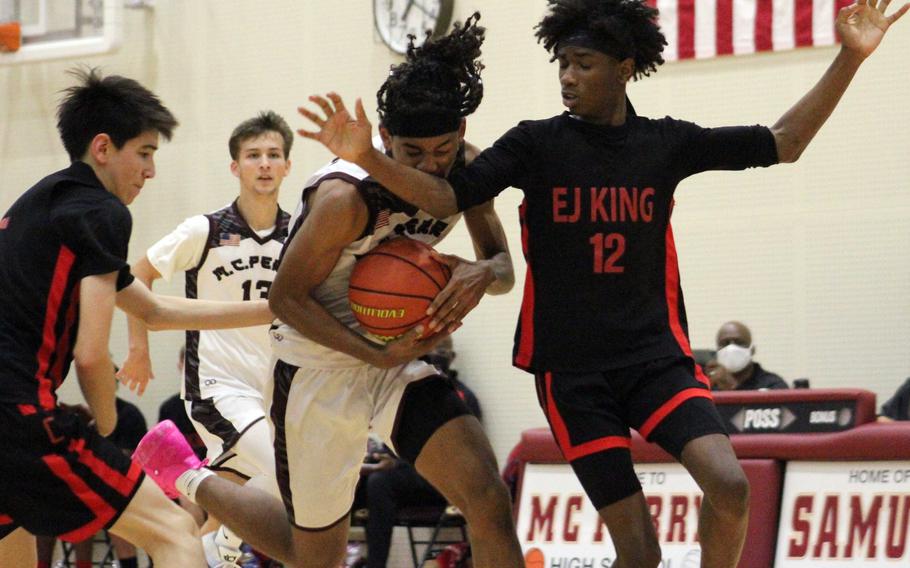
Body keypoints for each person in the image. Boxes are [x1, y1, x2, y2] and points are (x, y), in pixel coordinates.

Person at [294, 1, 908, 566]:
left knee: (730, 484)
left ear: (624, 67)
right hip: (573, 374)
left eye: (583, 64)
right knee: (640, 554)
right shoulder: (534, 144)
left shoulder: (664, 143)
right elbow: (450, 193)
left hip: (655, 359)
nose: (567, 76)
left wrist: (850, 56)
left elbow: (785, 143)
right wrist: (371, 160)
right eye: (562, 63)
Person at [133, 15, 524, 568]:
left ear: (461, 132)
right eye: (414, 154)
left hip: (397, 361)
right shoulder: (346, 197)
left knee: (489, 501)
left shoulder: (469, 166)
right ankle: (190, 475)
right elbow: (286, 301)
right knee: (313, 557)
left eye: (444, 149)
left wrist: (483, 273)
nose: (433, 166)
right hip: (316, 364)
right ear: (384, 139)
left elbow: (504, 267)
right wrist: (373, 351)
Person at [0, 68, 273, 568]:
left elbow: (152, 308)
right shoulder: (103, 212)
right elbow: (90, 354)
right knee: (175, 532)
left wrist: (273, 309)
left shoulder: (44, 203)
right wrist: (106, 428)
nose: (150, 172)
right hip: (19, 417)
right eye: (145, 153)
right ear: (103, 148)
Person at [121, 111, 293, 567]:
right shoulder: (207, 230)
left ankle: (215, 550)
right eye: (252, 155)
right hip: (218, 388)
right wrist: (139, 349)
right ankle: (221, 538)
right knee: (288, 473)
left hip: (275, 391)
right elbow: (139, 273)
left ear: (287, 166)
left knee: (241, 495)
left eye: (273, 155)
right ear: (235, 167)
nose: (263, 164)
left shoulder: (299, 234)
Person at [359, 337, 481, 568]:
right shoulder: (406, 392)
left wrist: (397, 465)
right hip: (408, 475)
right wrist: (380, 457)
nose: (436, 353)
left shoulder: (462, 397)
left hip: (445, 482)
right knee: (355, 481)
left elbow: (460, 457)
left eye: (443, 350)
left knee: (380, 483)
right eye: (431, 346)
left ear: (452, 358)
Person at [708, 321, 788, 391]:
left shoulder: (773, 385)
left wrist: (732, 389)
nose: (731, 348)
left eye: (739, 343)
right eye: (725, 343)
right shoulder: (708, 386)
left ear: (752, 350)